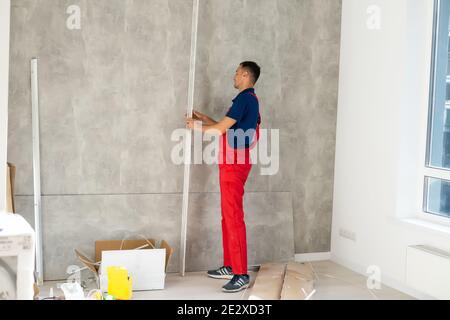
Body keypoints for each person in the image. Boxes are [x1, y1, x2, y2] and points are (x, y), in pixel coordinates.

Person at [186, 61, 261, 292]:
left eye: (237, 72)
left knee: (233, 217)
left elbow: (219, 130)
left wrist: (195, 127)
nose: (234, 76)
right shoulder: (249, 100)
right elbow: (225, 126)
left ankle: (241, 274)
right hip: (232, 163)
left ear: (246, 75)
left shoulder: (244, 99)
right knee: (227, 217)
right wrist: (204, 118)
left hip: (234, 164)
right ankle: (230, 266)